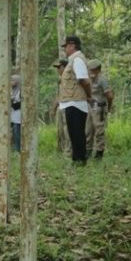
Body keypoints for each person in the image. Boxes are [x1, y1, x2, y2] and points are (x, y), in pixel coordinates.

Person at [58, 36, 93, 165]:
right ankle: (77, 159)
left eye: (66, 46)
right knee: (74, 132)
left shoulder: (77, 59)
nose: (65, 49)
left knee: (77, 132)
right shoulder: (73, 60)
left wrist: (89, 96)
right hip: (72, 101)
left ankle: (80, 159)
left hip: (76, 102)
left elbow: (84, 80)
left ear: (72, 46)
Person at [85, 59, 114, 160]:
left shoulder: (103, 79)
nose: (90, 71)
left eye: (92, 69)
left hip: (99, 107)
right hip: (90, 106)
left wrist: (108, 108)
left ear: (97, 69)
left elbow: (109, 96)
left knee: (99, 131)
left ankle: (99, 153)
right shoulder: (90, 78)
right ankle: (87, 151)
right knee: (88, 130)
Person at [51, 58, 71, 155]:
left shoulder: (70, 79)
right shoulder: (60, 80)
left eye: (59, 67)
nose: (58, 70)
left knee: (67, 130)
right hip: (61, 106)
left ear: (65, 67)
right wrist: (54, 109)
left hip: (68, 106)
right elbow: (58, 95)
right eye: (57, 67)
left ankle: (68, 152)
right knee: (61, 130)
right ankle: (62, 150)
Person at [10, 74, 22, 152]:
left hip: (18, 116)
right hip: (13, 116)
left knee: (17, 133)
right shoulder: (12, 90)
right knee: (13, 133)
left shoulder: (20, 91)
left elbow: (21, 104)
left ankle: (18, 149)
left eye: (12, 80)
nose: (11, 82)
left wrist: (12, 103)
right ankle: (14, 148)